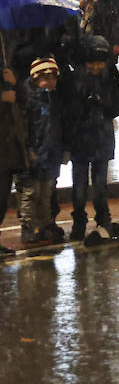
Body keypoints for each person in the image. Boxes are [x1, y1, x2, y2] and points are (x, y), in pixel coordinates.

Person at [60, 35, 119, 243]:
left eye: (99, 63)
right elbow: (69, 111)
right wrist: (84, 102)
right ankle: (79, 220)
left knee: (100, 185)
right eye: (91, 63)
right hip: (80, 139)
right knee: (79, 186)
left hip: (102, 138)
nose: (95, 67)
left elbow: (117, 107)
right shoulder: (75, 79)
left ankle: (103, 218)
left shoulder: (110, 77)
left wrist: (102, 103)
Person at [19, 57, 64, 245]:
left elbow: (59, 128)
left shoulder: (54, 101)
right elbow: (24, 129)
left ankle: (45, 225)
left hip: (51, 155)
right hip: (34, 155)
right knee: (31, 193)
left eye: (53, 78)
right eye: (45, 78)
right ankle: (28, 227)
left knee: (46, 193)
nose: (50, 82)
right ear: (36, 79)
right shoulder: (29, 101)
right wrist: (28, 150)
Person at [1, 40, 27, 251]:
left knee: (2, 198)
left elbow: (24, 101)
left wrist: (15, 83)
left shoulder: (6, 66)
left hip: (9, 145)